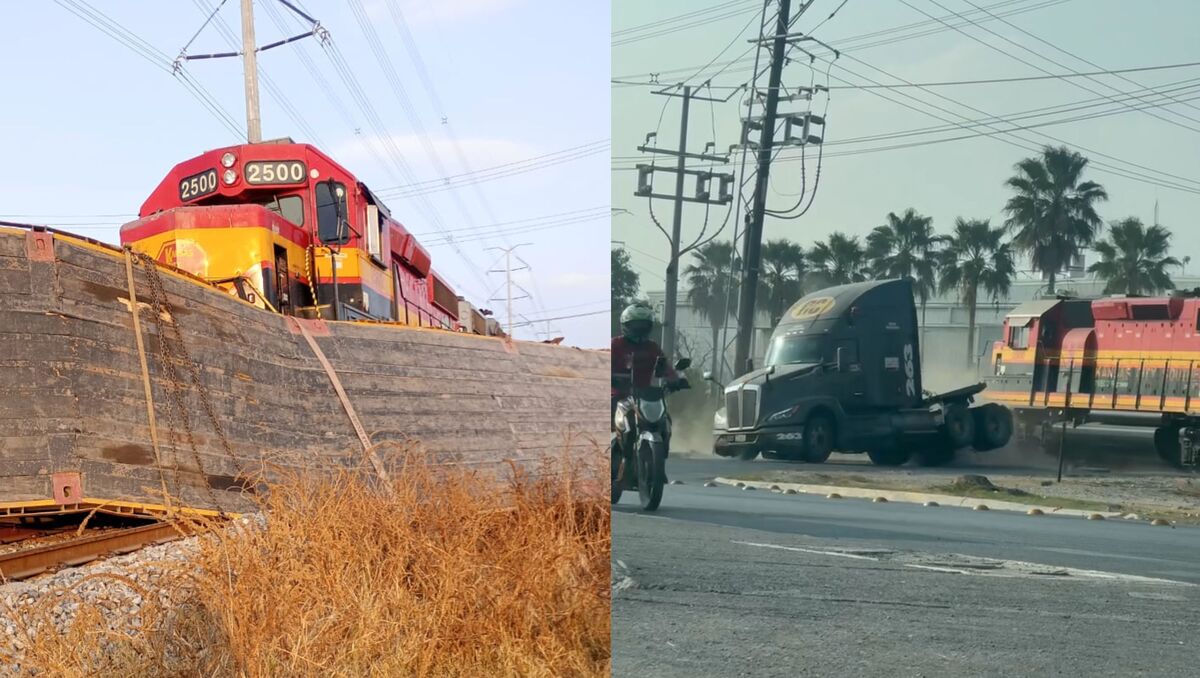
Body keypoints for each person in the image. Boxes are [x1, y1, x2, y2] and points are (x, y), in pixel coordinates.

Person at [611, 303, 688, 478]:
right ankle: (613, 456)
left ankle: (657, 462)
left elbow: (664, 367)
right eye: (635, 325)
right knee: (611, 412)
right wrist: (611, 376)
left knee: (665, 420)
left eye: (643, 326)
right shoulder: (616, 344)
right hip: (620, 394)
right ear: (626, 325)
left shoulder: (652, 347)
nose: (639, 330)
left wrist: (677, 379)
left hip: (646, 395)